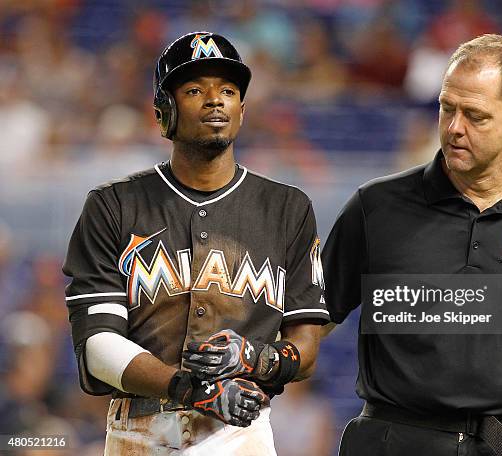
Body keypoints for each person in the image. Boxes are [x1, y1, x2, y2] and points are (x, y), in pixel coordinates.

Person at [322, 34, 502, 456]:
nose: (454, 128)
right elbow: (312, 318)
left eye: (475, 116)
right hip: (395, 439)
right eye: (447, 108)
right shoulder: (374, 208)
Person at [63, 31, 329, 455]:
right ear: (163, 110)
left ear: (242, 109)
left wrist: (255, 358)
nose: (215, 100)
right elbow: (97, 347)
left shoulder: (287, 208)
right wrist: (190, 389)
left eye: (227, 90)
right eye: (193, 90)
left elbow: (306, 347)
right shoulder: (113, 205)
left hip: (240, 433)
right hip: (139, 430)